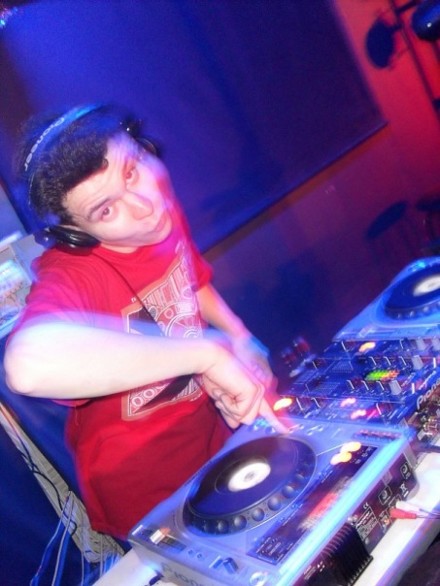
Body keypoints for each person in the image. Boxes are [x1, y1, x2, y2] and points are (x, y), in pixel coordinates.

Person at [4, 103, 279, 540]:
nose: (144, 206)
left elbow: (192, 281)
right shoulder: (74, 272)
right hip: (143, 487)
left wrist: (240, 338)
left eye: (131, 171)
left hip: (209, 437)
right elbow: (26, 366)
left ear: (145, 149)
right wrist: (208, 353)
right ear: (76, 234)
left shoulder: (155, 216)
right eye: (105, 211)